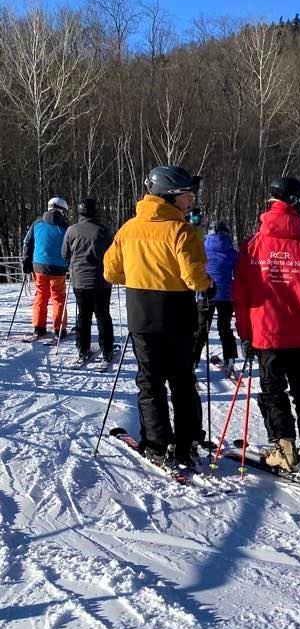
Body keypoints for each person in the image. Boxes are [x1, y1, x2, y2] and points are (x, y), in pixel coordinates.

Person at [103, 165, 212, 470]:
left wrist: (139, 273)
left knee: (150, 382)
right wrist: (208, 284)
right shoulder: (181, 231)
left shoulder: (128, 229)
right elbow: (194, 278)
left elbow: (110, 272)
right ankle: (187, 442)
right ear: (172, 196)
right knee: (182, 380)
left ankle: (157, 445)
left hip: (142, 314)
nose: (190, 201)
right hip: (178, 314)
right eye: (187, 195)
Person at [232, 176, 300, 477]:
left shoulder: (253, 247)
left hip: (266, 334)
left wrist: (245, 334)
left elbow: (241, 295)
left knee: (273, 391)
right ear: (296, 205)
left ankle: (284, 447)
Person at [62, 197, 115, 363]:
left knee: (83, 316)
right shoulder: (104, 230)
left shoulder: (71, 230)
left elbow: (64, 254)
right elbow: (112, 253)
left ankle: (82, 349)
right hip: (101, 281)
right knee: (102, 315)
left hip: (80, 280)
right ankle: (107, 349)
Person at [194, 220, 239, 376]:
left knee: (200, 330)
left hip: (206, 293)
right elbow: (238, 274)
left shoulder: (201, 249)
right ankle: (230, 360)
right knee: (225, 328)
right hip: (226, 295)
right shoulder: (232, 252)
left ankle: (192, 363)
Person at [21, 197, 70, 337]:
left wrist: (26, 261)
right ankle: (58, 329)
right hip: (58, 267)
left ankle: (38, 326)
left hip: (39, 265)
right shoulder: (65, 227)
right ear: (62, 210)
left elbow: (27, 243)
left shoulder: (37, 224)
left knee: (41, 295)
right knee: (58, 297)